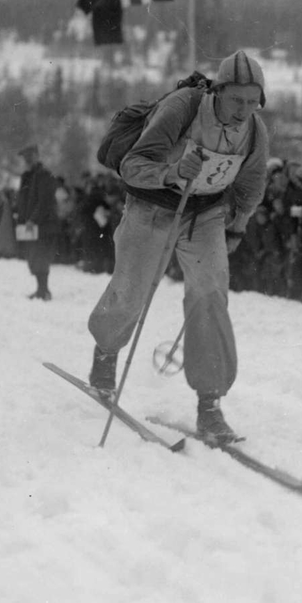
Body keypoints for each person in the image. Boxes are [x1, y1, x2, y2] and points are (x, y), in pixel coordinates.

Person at [87, 50, 269, 443]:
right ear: (218, 91)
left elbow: (252, 185)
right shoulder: (181, 108)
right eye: (237, 100)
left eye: (253, 102)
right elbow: (133, 165)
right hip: (152, 208)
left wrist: (237, 227)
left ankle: (210, 404)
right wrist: (171, 172)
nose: (244, 110)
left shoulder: (255, 131)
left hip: (205, 215)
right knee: (132, 290)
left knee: (210, 296)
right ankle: (105, 356)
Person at [15, 144, 60, 300]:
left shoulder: (43, 176)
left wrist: (32, 220)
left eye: (29, 156)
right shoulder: (28, 176)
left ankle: (43, 290)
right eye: (25, 158)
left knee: (40, 257)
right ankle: (41, 289)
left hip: (43, 225)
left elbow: (44, 202)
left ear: (36, 156)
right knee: (34, 257)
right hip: (33, 225)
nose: (26, 160)